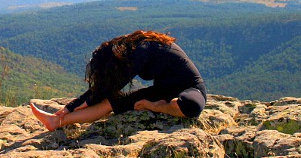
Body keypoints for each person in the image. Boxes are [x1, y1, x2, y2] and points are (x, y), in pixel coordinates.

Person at [30, 30, 206, 131]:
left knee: (189, 106)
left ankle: (159, 106)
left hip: (190, 88)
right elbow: (104, 90)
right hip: (162, 91)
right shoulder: (133, 48)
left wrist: (153, 106)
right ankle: (55, 122)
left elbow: (104, 89)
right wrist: (68, 108)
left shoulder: (140, 52)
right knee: (110, 103)